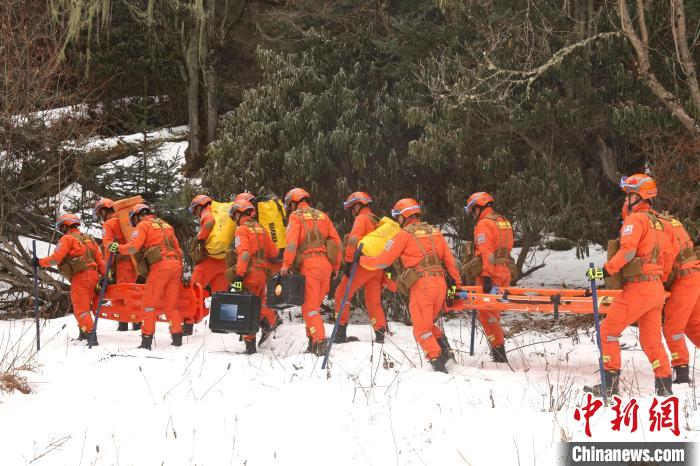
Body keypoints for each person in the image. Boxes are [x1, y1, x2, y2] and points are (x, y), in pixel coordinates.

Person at [585, 174, 675, 396]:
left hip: (638, 288)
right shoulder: (663, 224)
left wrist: (604, 271)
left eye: (628, 196)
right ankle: (664, 385)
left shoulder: (635, 220)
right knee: (651, 340)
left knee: (608, 331)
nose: (625, 201)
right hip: (656, 290)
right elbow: (670, 256)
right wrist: (658, 278)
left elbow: (628, 252)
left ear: (637, 196)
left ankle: (609, 385)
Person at [360, 198, 461, 373]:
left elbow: (383, 261)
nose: (398, 220)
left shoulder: (403, 235)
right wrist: (456, 286)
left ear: (404, 216)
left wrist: (362, 260)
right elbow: (450, 261)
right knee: (427, 323)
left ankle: (439, 366)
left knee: (421, 330)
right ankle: (446, 352)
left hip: (423, 285)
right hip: (440, 284)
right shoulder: (434, 232)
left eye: (398, 216)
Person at [111, 204, 184, 350]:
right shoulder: (166, 225)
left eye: (133, 220)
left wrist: (118, 248)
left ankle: (146, 341)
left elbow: (133, 247)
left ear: (137, 216)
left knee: (148, 306)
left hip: (160, 266)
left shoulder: (143, 225)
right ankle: (177, 339)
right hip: (176, 265)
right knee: (171, 306)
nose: (134, 223)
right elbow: (179, 250)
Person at [280, 188, 341, 356]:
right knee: (312, 306)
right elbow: (337, 242)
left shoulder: (295, 216)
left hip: (310, 265)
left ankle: (320, 342)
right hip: (326, 266)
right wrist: (336, 266)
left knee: (310, 308)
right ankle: (312, 343)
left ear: (293, 203)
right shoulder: (322, 215)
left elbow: (291, 243)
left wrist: (286, 264)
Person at [35, 214, 105, 344]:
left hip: (81, 277)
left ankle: (91, 337)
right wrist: (105, 276)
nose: (61, 230)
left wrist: (39, 262)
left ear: (64, 226)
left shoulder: (67, 238)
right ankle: (83, 333)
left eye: (61, 227)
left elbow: (55, 259)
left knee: (81, 308)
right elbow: (100, 261)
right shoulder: (89, 239)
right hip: (94, 277)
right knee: (84, 306)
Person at [464, 192, 514, 363]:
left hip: (491, 274)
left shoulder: (484, 224)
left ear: (478, 208)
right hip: (504, 272)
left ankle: (499, 353)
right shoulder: (503, 221)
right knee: (494, 314)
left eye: (472, 210)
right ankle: (498, 350)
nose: (472, 215)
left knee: (487, 315)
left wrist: (486, 276)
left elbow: (487, 253)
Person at [653, 209, 700, 384]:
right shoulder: (668, 220)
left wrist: (660, 281)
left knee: (673, 329)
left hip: (683, 279)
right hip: (693, 275)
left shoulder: (655, 226)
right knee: (694, 326)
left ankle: (681, 374)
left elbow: (665, 255)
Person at [333, 192, 387, 343]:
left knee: (341, 294)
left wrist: (349, 262)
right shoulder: (376, 220)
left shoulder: (361, 218)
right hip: (377, 268)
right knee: (373, 301)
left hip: (362, 265)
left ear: (357, 205)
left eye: (352, 207)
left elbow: (353, 240)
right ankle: (380, 334)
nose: (351, 211)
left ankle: (340, 333)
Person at [228, 199, 281, 353]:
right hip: (262, 275)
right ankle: (269, 321)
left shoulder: (242, 230)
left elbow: (244, 254)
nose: (234, 218)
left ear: (240, 213)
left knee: (245, 308)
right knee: (259, 304)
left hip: (248, 274)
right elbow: (274, 253)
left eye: (235, 215)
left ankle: (251, 345)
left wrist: (239, 276)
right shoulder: (261, 229)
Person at [94, 197, 140, 331]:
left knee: (122, 292)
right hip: (135, 262)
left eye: (100, 213)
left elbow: (108, 246)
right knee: (132, 292)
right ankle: (133, 320)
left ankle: (127, 322)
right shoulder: (127, 220)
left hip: (122, 264)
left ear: (104, 211)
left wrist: (106, 267)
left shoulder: (109, 224)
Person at [189, 194, 229, 296]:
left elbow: (209, 221)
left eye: (195, 210)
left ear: (200, 206)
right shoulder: (219, 214)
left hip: (209, 261)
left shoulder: (206, 212)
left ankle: (197, 306)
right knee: (220, 297)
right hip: (223, 261)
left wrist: (201, 239)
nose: (196, 214)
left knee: (192, 291)